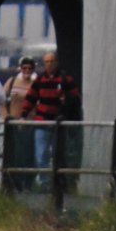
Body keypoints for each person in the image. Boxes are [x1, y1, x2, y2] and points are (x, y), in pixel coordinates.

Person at [23, 47, 82, 175]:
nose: (49, 64)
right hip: (42, 121)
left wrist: (66, 99)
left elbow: (76, 97)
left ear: (56, 62)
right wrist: (24, 114)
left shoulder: (65, 79)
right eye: (47, 62)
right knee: (40, 154)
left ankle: (56, 181)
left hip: (58, 122)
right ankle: (45, 181)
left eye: (52, 61)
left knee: (59, 154)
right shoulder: (39, 80)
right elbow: (31, 97)